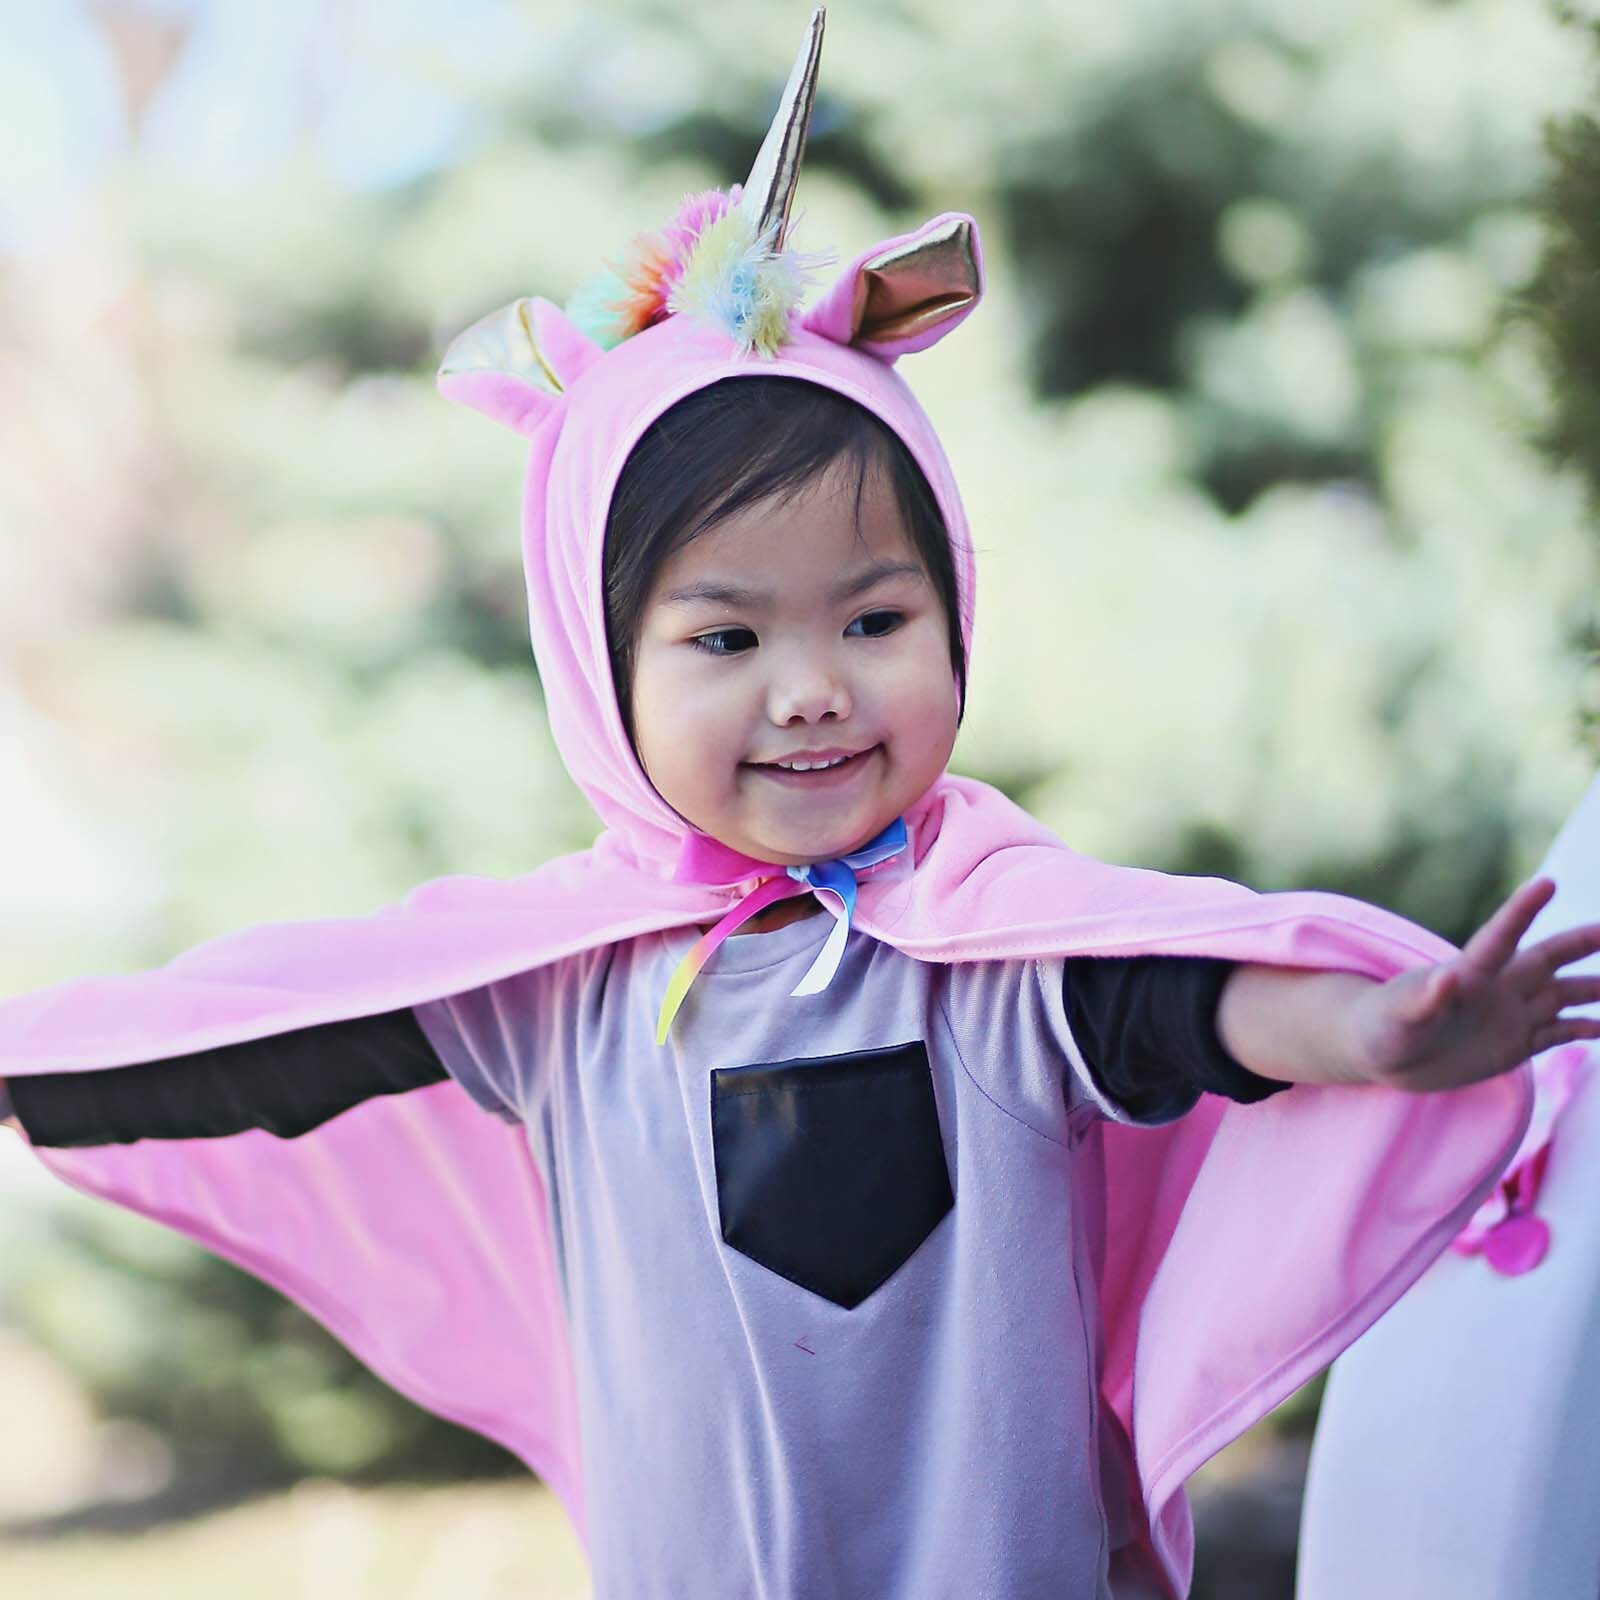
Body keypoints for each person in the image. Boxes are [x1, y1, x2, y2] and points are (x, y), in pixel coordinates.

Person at [2, 11, 1597, 1597]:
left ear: (952, 613)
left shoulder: (1000, 954)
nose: (813, 686)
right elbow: (253, 1044)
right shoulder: (556, 990)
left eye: (874, 619)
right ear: (595, 669)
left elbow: (1201, 1004)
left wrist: (1379, 1036)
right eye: (725, 637)